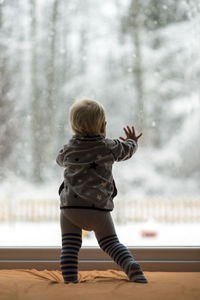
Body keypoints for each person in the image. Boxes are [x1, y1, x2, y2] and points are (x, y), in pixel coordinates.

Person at [56, 98, 148, 284]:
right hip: (98, 209)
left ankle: (70, 280)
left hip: (70, 209)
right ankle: (129, 264)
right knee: (111, 243)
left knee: (70, 247)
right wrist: (132, 141)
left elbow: (59, 160)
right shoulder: (108, 146)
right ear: (103, 126)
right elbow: (127, 150)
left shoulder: (69, 149)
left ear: (73, 126)